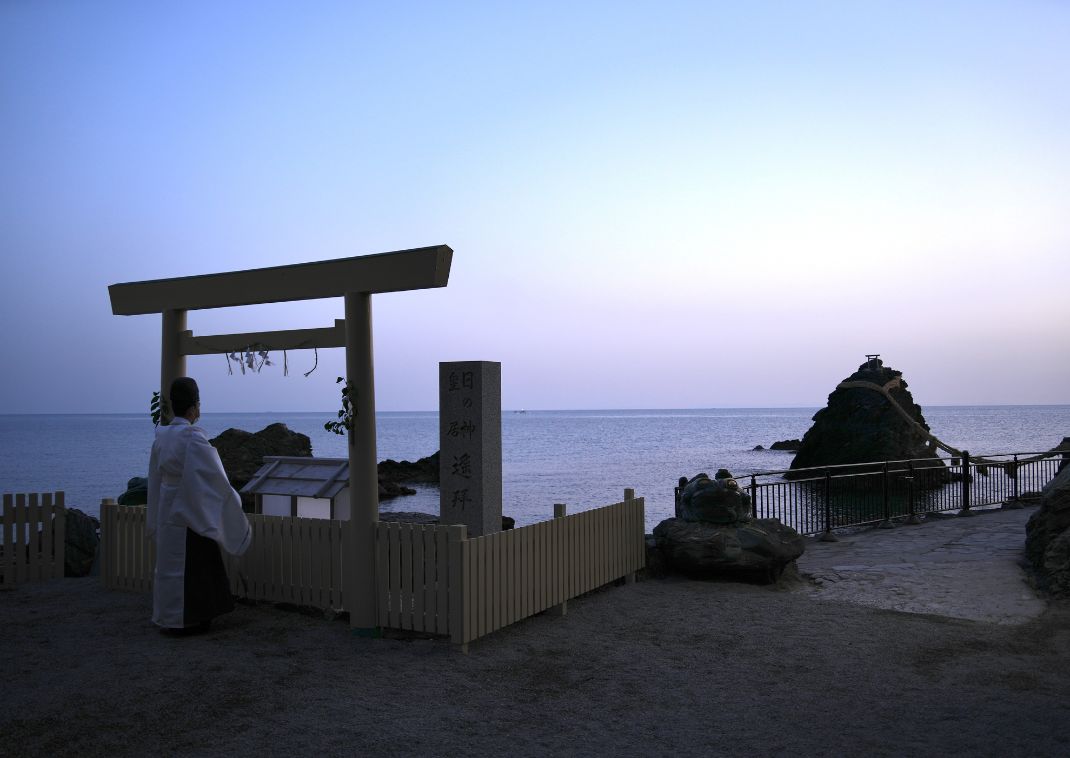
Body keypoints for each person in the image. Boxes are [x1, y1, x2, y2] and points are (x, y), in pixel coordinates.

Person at [147, 377, 251, 634]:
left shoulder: (162, 436)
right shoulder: (192, 438)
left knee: (171, 565)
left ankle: (167, 617)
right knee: (195, 565)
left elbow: (155, 477)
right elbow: (215, 477)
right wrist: (233, 500)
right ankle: (190, 619)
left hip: (167, 505)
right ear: (194, 407)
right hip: (189, 507)